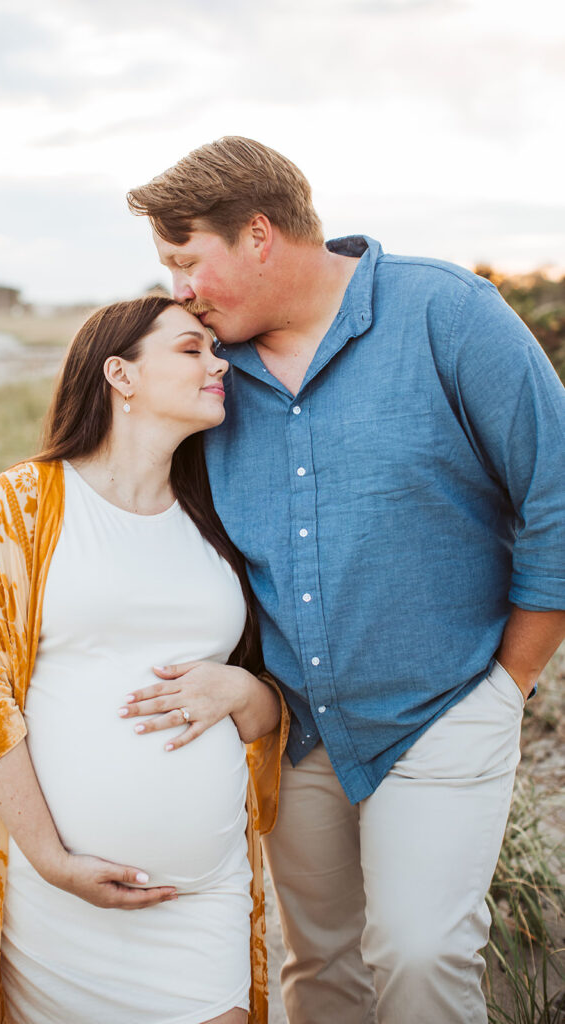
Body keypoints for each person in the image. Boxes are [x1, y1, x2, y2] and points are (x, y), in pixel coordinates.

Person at [127, 137, 565, 1024]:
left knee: (418, 953)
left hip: (442, 707)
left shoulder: (448, 313)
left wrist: (507, 685)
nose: (179, 287)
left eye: (185, 259)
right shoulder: (208, 368)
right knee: (320, 966)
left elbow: (555, 494)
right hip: (292, 725)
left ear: (257, 234)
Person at [0, 295, 289, 1024]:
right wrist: (54, 863)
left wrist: (243, 691)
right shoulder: (26, 502)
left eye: (215, 350)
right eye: (191, 349)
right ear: (119, 374)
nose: (219, 363)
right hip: (52, 897)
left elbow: (274, 697)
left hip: (201, 896)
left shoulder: (221, 514)